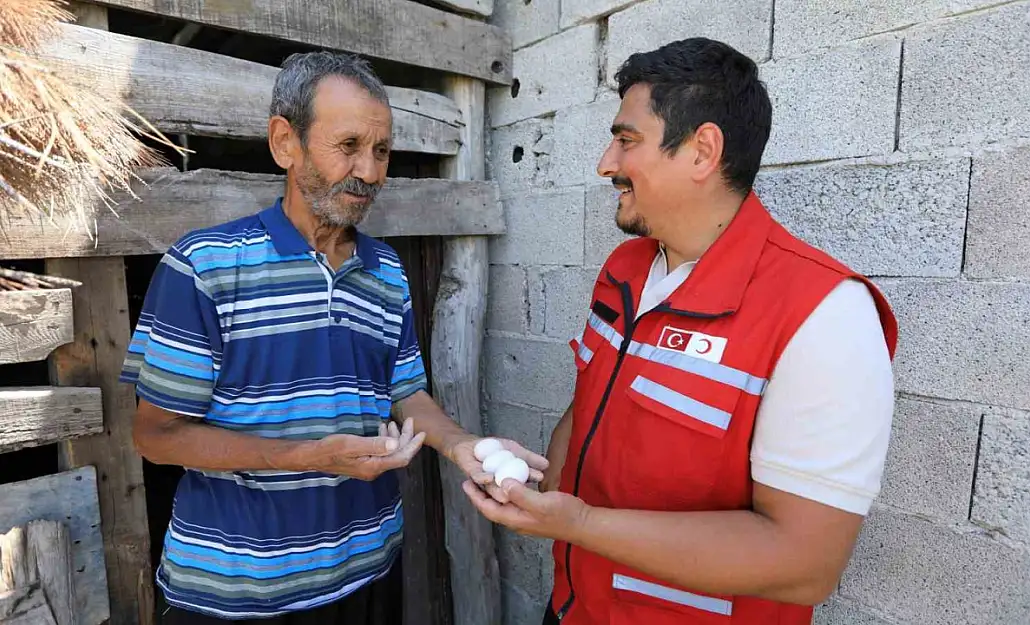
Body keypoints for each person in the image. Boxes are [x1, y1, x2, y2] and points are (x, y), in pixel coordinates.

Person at [463, 37, 899, 625]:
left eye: (626, 140)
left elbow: (806, 563)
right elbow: (592, 399)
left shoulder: (824, 314)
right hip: (574, 607)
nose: (605, 164)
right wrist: (541, 491)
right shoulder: (624, 269)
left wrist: (578, 524)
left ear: (701, 151)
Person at [121, 51, 546, 624]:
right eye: (348, 147)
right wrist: (303, 458)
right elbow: (157, 436)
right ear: (283, 143)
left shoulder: (386, 270)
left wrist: (462, 447)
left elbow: (408, 394)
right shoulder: (205, 267)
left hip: (367, 572)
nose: (370, 172)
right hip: (236, 595)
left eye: (381, 151)